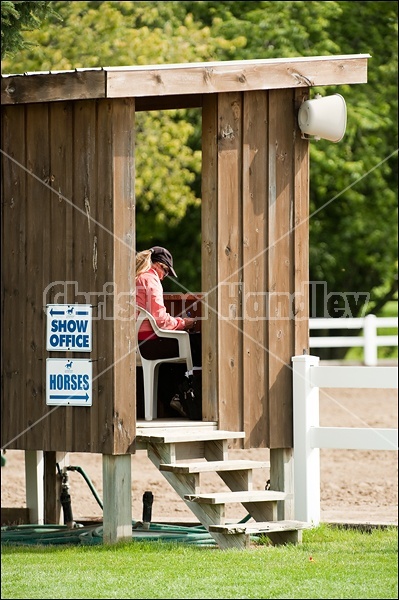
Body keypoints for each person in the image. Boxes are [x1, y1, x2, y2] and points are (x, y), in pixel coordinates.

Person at [135, 246, 201, 417]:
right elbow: (161, 321)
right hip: (149, 342)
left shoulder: (135, 277)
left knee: (177, 348)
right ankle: (193, 400)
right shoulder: (151, 279)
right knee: (196, 343)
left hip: (135, 342)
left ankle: (174, 397)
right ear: (159, 266)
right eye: (165, 272)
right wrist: (184, 323)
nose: (164, 278)